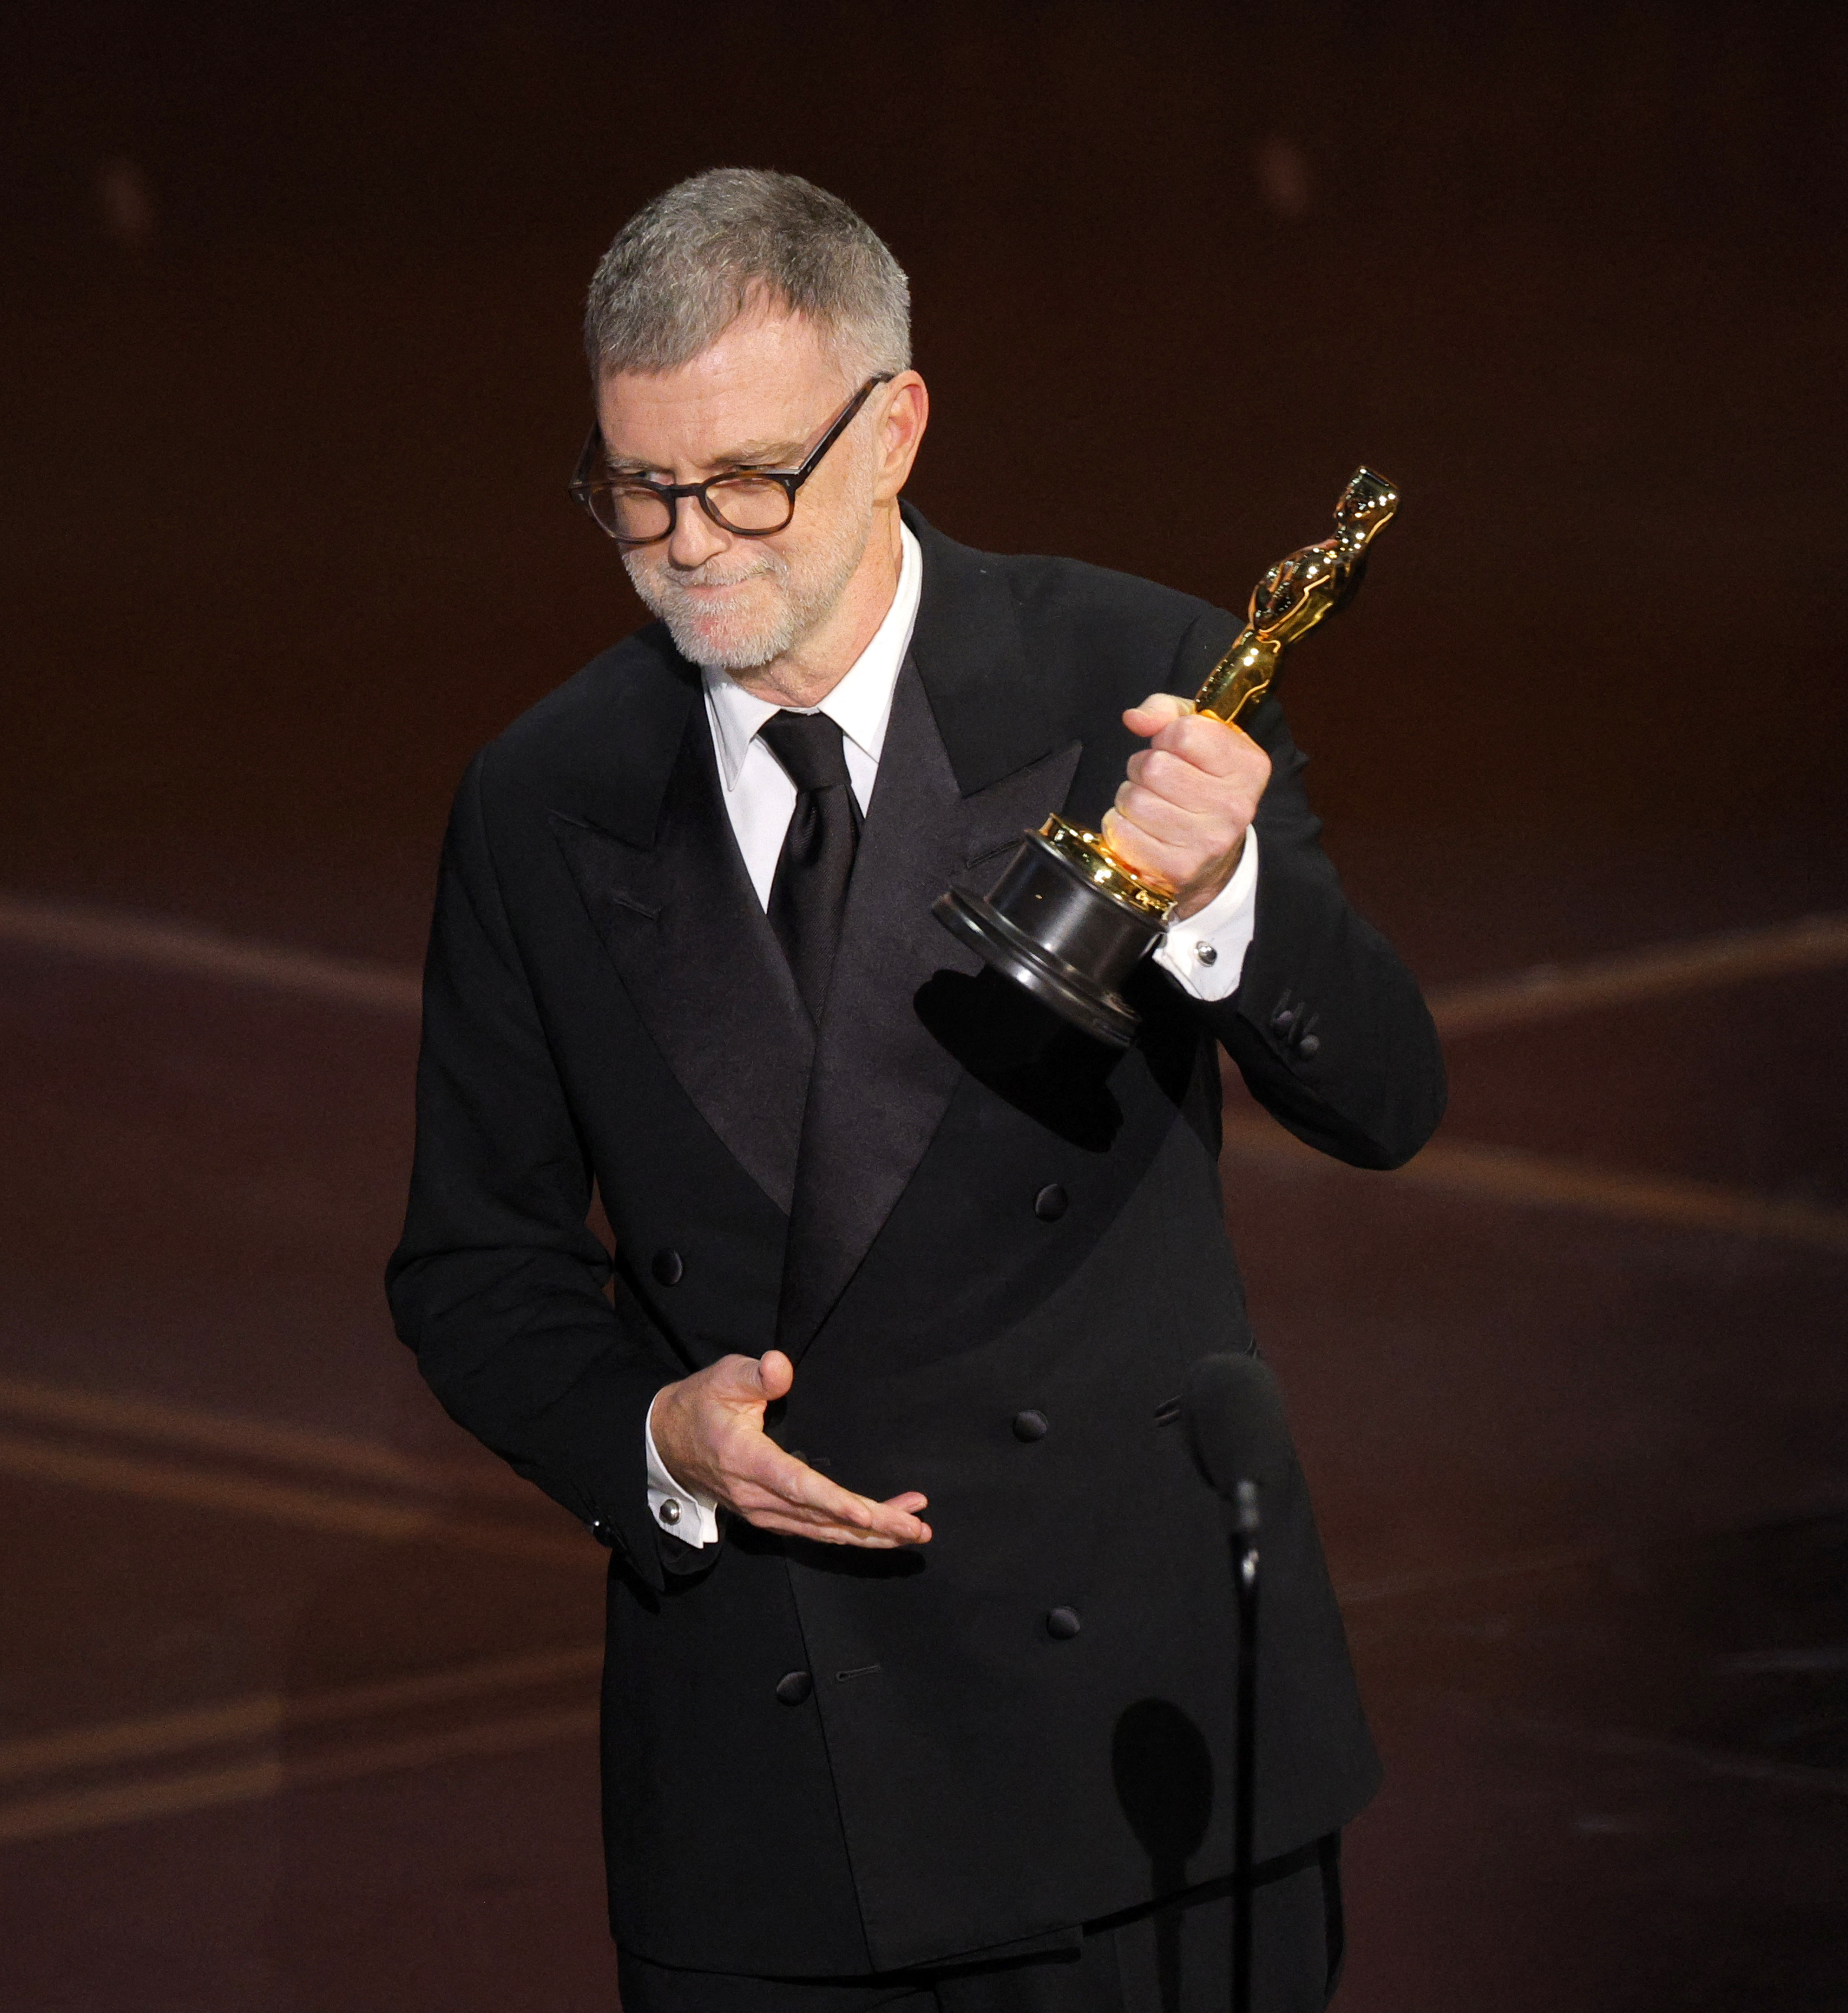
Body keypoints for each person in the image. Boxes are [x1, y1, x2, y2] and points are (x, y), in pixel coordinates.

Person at [388, 168, 1445, 2012]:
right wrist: (654, 1439)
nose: (687, 544)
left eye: (743, 484)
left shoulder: (1131, 679)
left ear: (895, 430)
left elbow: (1389, 1097)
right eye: (634, 489)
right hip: (774, 1807)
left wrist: (1231, 898)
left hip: (1140, 1770)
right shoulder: (541, 796)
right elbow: (476, 1262)